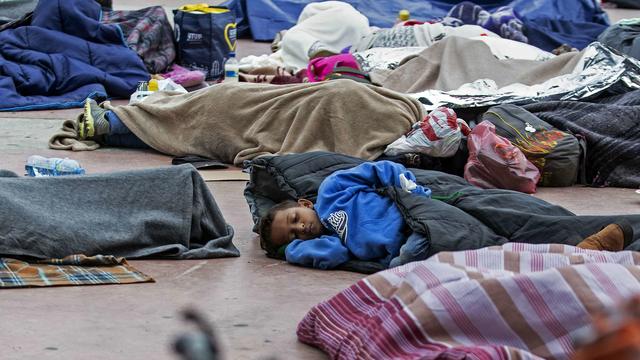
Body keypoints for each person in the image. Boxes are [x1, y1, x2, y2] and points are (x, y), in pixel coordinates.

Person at [258, 160, 634, 270]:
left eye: (293, 220)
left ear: (302, 205)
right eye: (291, 236)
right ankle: (580, 256)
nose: (299, 229)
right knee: (490, 258)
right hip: (409, 251)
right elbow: (336, 256)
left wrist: (412, 192)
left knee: (510, 221)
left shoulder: (332, 191)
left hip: (419, 217)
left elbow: (381, 170)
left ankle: (588, 244)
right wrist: (294, 252)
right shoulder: (328, 243)